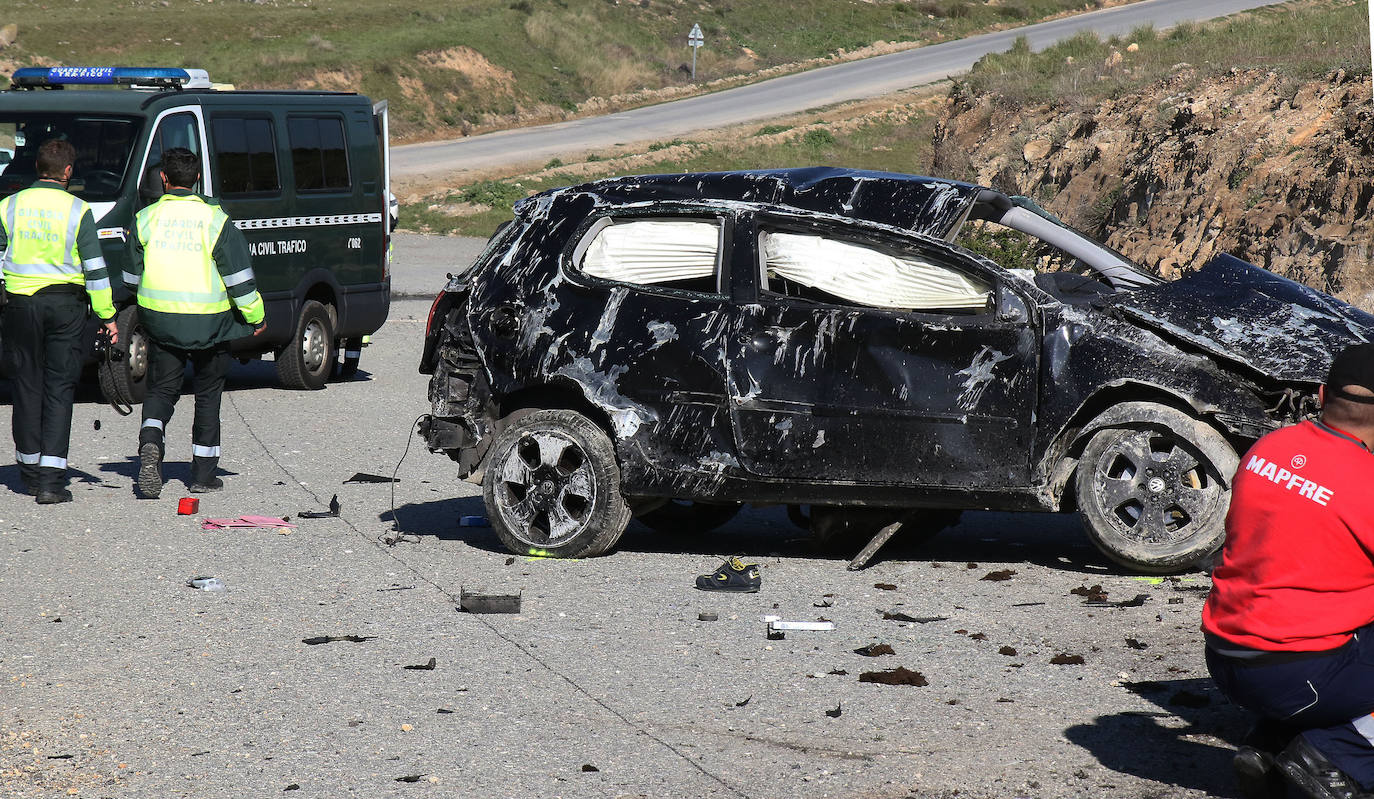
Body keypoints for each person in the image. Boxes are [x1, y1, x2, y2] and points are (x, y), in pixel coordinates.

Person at [1204, 342, 1374, 799]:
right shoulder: (1366, 480)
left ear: (1321, 395)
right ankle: (1337, 753)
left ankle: (1271, 742)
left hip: (1225, 656)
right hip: (1295, 675)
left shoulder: (1268, 448)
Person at [125, 147, 264, 498]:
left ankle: (151, 441)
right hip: (211, 325)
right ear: (198, 179)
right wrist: (256, 317)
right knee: (207, 396)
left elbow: (129, 278)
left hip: (161, 323)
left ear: (164, 180)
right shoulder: (216, 221)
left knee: (161, 391)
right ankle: (203, 475)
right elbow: (239, 281)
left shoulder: (145, 219)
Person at [0, 139, 118, 504]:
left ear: (38, 168)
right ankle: (51, 482)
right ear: (68, 172)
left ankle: (29, 473)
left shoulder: (8, 206)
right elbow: (95, 270)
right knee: (59, 387)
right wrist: (107, 316)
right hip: (65, 306)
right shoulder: (78, 211)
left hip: (19, 305)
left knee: (26, 385)